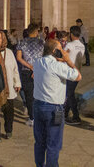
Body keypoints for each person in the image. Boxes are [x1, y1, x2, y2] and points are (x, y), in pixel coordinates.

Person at [33, 39, 81, 167]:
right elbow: (78, 76)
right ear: (55, 51)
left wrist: (60, 60)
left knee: (40, 142)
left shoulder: (37, 62)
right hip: (54, 109)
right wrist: (68, 60)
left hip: (37, 106)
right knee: (53, 144)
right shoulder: (58, 66)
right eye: (60, 49)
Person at [16, 23, 44, 127]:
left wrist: (30, 66)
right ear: (36, 31)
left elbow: (19, 58)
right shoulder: (42, 42)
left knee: (29, 96)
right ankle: (39, 116)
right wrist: (36, 68)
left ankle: (32, 118)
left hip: (25, 71)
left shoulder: (21, 42)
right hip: (39, 71)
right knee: (39, 95)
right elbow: (44, 57)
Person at [64, 26, 84, 125]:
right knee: (69, 93)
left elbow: (64, 56)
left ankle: (76, 116)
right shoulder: (82, 45)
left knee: (70, 94)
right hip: (77, 72)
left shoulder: (69, 45)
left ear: (71, 34)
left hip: (69, 72)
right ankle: (65, 113)